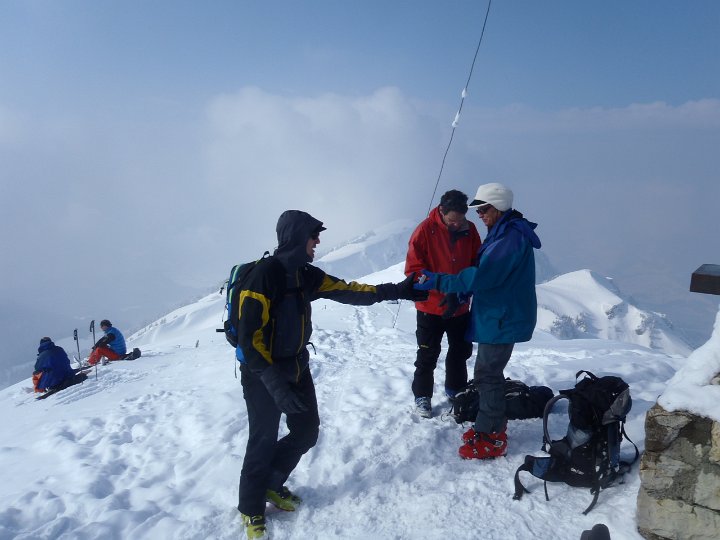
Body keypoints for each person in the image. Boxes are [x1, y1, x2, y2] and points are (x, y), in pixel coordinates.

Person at [235, 209, 428, 539]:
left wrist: (399, 290)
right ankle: (250, 508)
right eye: (313, 236)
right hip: (262, 372)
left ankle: (270, 484)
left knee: (306, 431)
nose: (317, 241)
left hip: (296, 367)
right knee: (262, 440)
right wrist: (275, 386)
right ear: (297, 237)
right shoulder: (264, 276)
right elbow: (248, 339)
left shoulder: (305, 274)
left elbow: (350, 290)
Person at [414, 182, 541, 459]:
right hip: (497, 315)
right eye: (478, 210)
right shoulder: (503, 232)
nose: (479, 215)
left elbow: (483, 275)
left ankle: (491, 437)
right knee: (488, 374)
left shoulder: (509, 239)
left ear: (498, 208)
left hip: (502, 317)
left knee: (487, 375)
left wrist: (440, 281)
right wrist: (461, 294)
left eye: (483, 209)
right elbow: (486, 273)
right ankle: (490, 426)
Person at [404, 189, 481, 418]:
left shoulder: (470, 230)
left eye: (460, 220)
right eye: (451, 220)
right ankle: (422, 396)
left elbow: (477, 265)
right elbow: (414, 271)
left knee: (460, 352)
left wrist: (463, 292)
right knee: (427, 353)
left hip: (460, 307)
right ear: (441, 211)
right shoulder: (424, 230)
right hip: (430, 307)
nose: (456, 225)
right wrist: (443, 288)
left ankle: (456, 391)